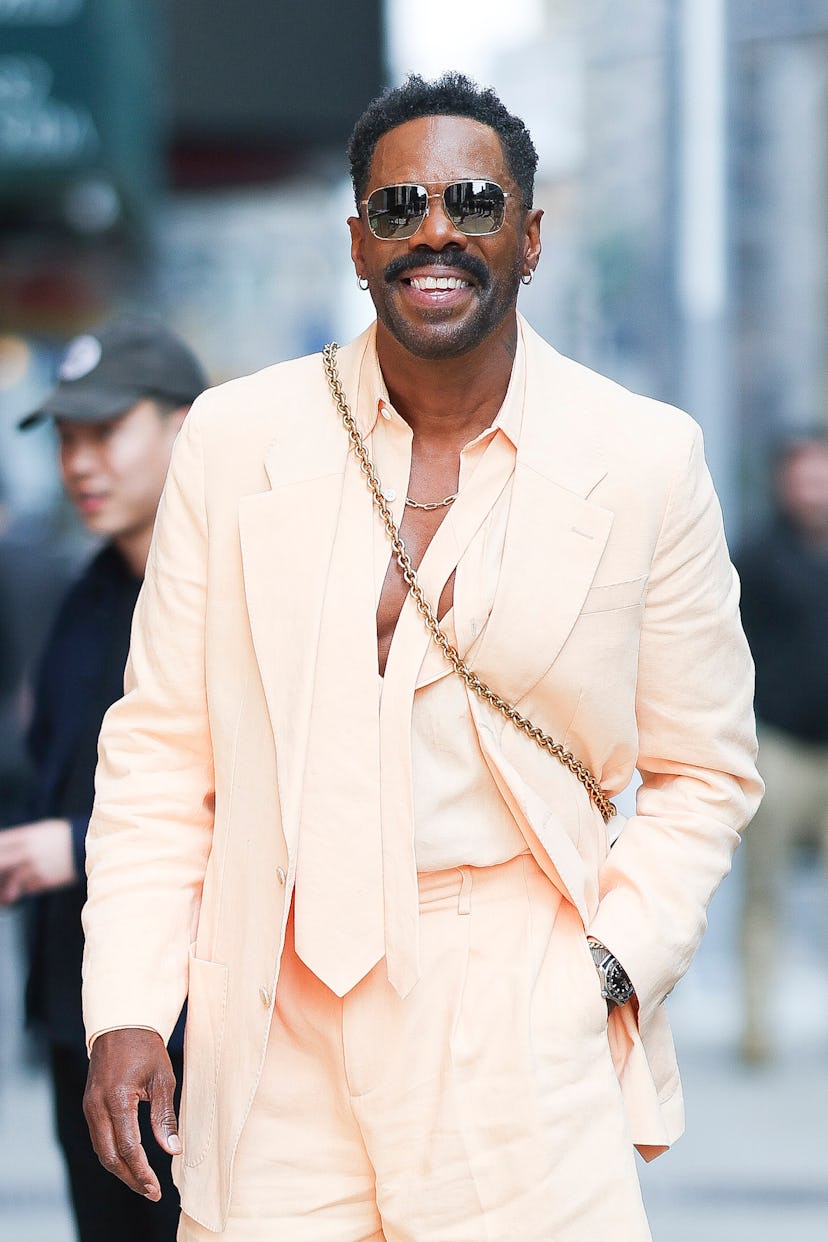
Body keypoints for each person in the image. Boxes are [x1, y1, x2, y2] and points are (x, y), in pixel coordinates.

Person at [80, 74, 762, 1242]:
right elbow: (160, 751)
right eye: (399, 208)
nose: (435, 231)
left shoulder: (644, 458)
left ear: (530, 237)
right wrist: (131, 1004)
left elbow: (705, 769)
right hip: (274, 1019)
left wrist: (605, 969)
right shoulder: (237, 439)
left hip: (516, 1018)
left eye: (473, 202)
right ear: (359, 245)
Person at [0, 315, 208, 1242]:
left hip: (187, 1034)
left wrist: (75, 846)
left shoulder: (235, 594)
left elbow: (263, 805)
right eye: (66, 438)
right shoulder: (81, 596)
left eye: (106, 432)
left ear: (184, 428)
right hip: (71, 1017)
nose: (79, 462)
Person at [736, 430, 828, 1064]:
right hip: (782, 746)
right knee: (764, 892)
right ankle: (757, 1029)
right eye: (805, 476)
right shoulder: (758, 557)